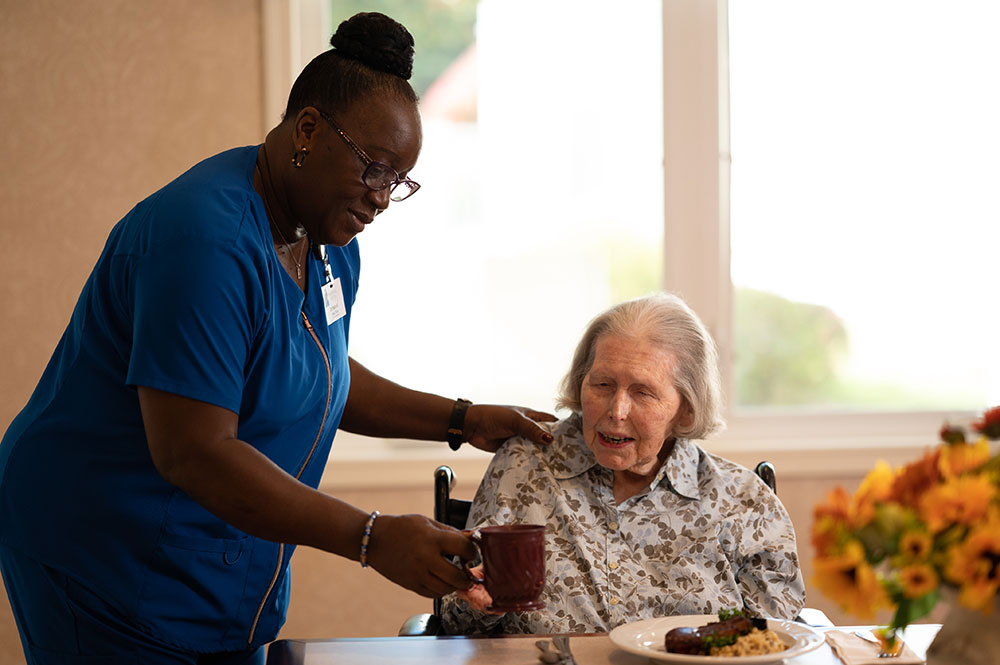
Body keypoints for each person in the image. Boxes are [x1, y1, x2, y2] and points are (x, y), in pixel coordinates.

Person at [0, 12, 554, 664]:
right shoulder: (204, 242)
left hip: (207, 558)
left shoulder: (327, 241)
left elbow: (315, 373)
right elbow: (194, 452)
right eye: (375, 168)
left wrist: (461, 417)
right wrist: (372, 535)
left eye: (398, 182)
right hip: (105, 553)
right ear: (309, 130)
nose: (381, 199)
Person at [441, 293, 805, 635]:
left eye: (643, 392)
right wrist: (482, 602)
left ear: (687, 407)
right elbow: (457, 623)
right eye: (602, 384)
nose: (616, 411)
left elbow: (774, 638)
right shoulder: (525, 465)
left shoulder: (742, 502)